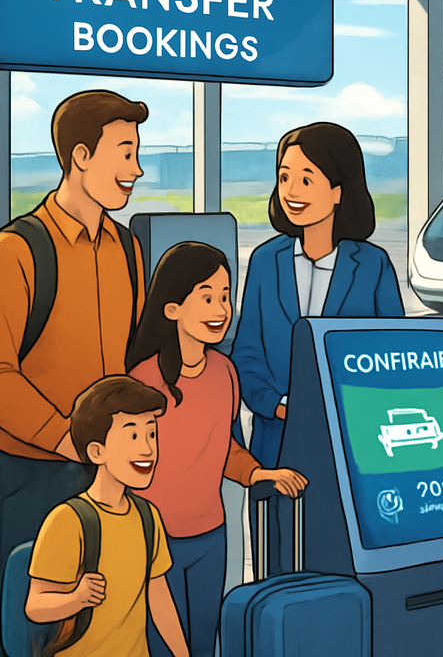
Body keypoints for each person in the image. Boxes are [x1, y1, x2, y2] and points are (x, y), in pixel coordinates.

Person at [0, 89, 148, 657]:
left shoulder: (127, 250)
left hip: (106, 476)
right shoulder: (16, 252)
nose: (136, 170)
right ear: (80, 157)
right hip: (34, 474)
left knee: (105, 622)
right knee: (28, 628)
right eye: (124, 153)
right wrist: (66, 437)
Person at [231, 122, 403, 573]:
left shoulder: (373, 266)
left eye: (306, 179)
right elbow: (247, 351)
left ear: (338, 190)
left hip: (351, 444)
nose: (292, 190)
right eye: (285, 176)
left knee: (340, 561)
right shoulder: (265, 261)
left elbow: (394, 358)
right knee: (277, 560)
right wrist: (277, 404)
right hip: (276, 441)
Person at [127, 243, 308, 657]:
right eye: (206, 297)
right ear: (171, 308)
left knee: (206, 639)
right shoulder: (144, 380)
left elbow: (223, 446)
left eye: (225, 296)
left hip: (210, 534)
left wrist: (260, 473)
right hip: (156, 538)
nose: (220, 309)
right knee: (162, 645)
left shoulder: (225, 372)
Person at [26, 375, 189, 657]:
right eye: (133, 436)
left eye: (152, 434)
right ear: (97, 451)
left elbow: (159, 597)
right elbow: (35, 606)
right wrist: (76, 599)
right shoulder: (69, 520)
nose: (147, 449)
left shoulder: (147, 516)